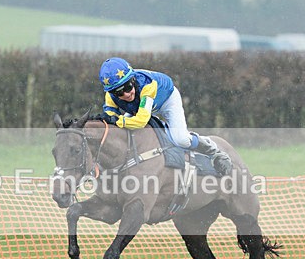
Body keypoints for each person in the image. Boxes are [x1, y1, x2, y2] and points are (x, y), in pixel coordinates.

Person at [99, 57, 232, 175]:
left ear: (133, 80)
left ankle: (211, 148)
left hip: (167, 100)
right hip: (141, 107)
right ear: (111, 92)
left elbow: (140, 121)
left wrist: (118, 120)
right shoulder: (110, 96)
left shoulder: (147, 85)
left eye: (128, 87)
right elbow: (110, 122)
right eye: (119, 93)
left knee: (180, 139)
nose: (126, 94)